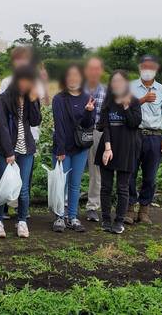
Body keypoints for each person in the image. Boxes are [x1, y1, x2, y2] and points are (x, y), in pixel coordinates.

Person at [0, 65, 42, 238]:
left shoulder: (30, 98)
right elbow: (1, 126)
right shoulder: (5, 98)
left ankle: (22, 221)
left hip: (26, 149)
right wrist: (8, 152)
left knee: (24, 189)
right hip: (7, 149)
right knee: (3, 186)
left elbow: (35, 121)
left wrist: (34, 100)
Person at [127, 55, 162, 224]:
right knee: (129, 173)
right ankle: (129, 209)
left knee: (150, 177)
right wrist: (142, 100)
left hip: (155, 137)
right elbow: (123, 108)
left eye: (151, 67)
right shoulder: (130, 87)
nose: (147, 70)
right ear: (139, 68)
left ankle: (144, 210)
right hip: (133, 135)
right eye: (144, 67)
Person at [95, 70, 142, 234]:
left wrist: (126, 106)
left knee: (122, 187)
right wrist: (107, 148)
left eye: (120, 81)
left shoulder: (134, 101)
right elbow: (104, 126)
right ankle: (106, 219)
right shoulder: (108, 101)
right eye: (114, 81)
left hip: (126, 148)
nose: (117, 84)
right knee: (106, 187)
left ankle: (119, 221)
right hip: (107, 147)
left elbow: (134, 123)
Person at [51, 63, 95, 232]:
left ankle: (73, 217)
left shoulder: (87, 98)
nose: (73, 79)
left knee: (75, 184)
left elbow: (87, 125)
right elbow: (59, 125)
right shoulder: (59, 99)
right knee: (60, 184)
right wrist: (60, 150)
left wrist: (89, 111)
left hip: (80, 148)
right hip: (63, 148)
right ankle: (59, 217)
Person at [83, 57, 107, 223]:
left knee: (96, 172)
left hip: (98, 132)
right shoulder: (77, 89)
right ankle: (66, 204)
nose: (94, 72)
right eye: (91, 68)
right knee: (73, 170)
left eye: (97, 69)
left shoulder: (106, 91)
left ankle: (92, 207)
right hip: (79, 132)